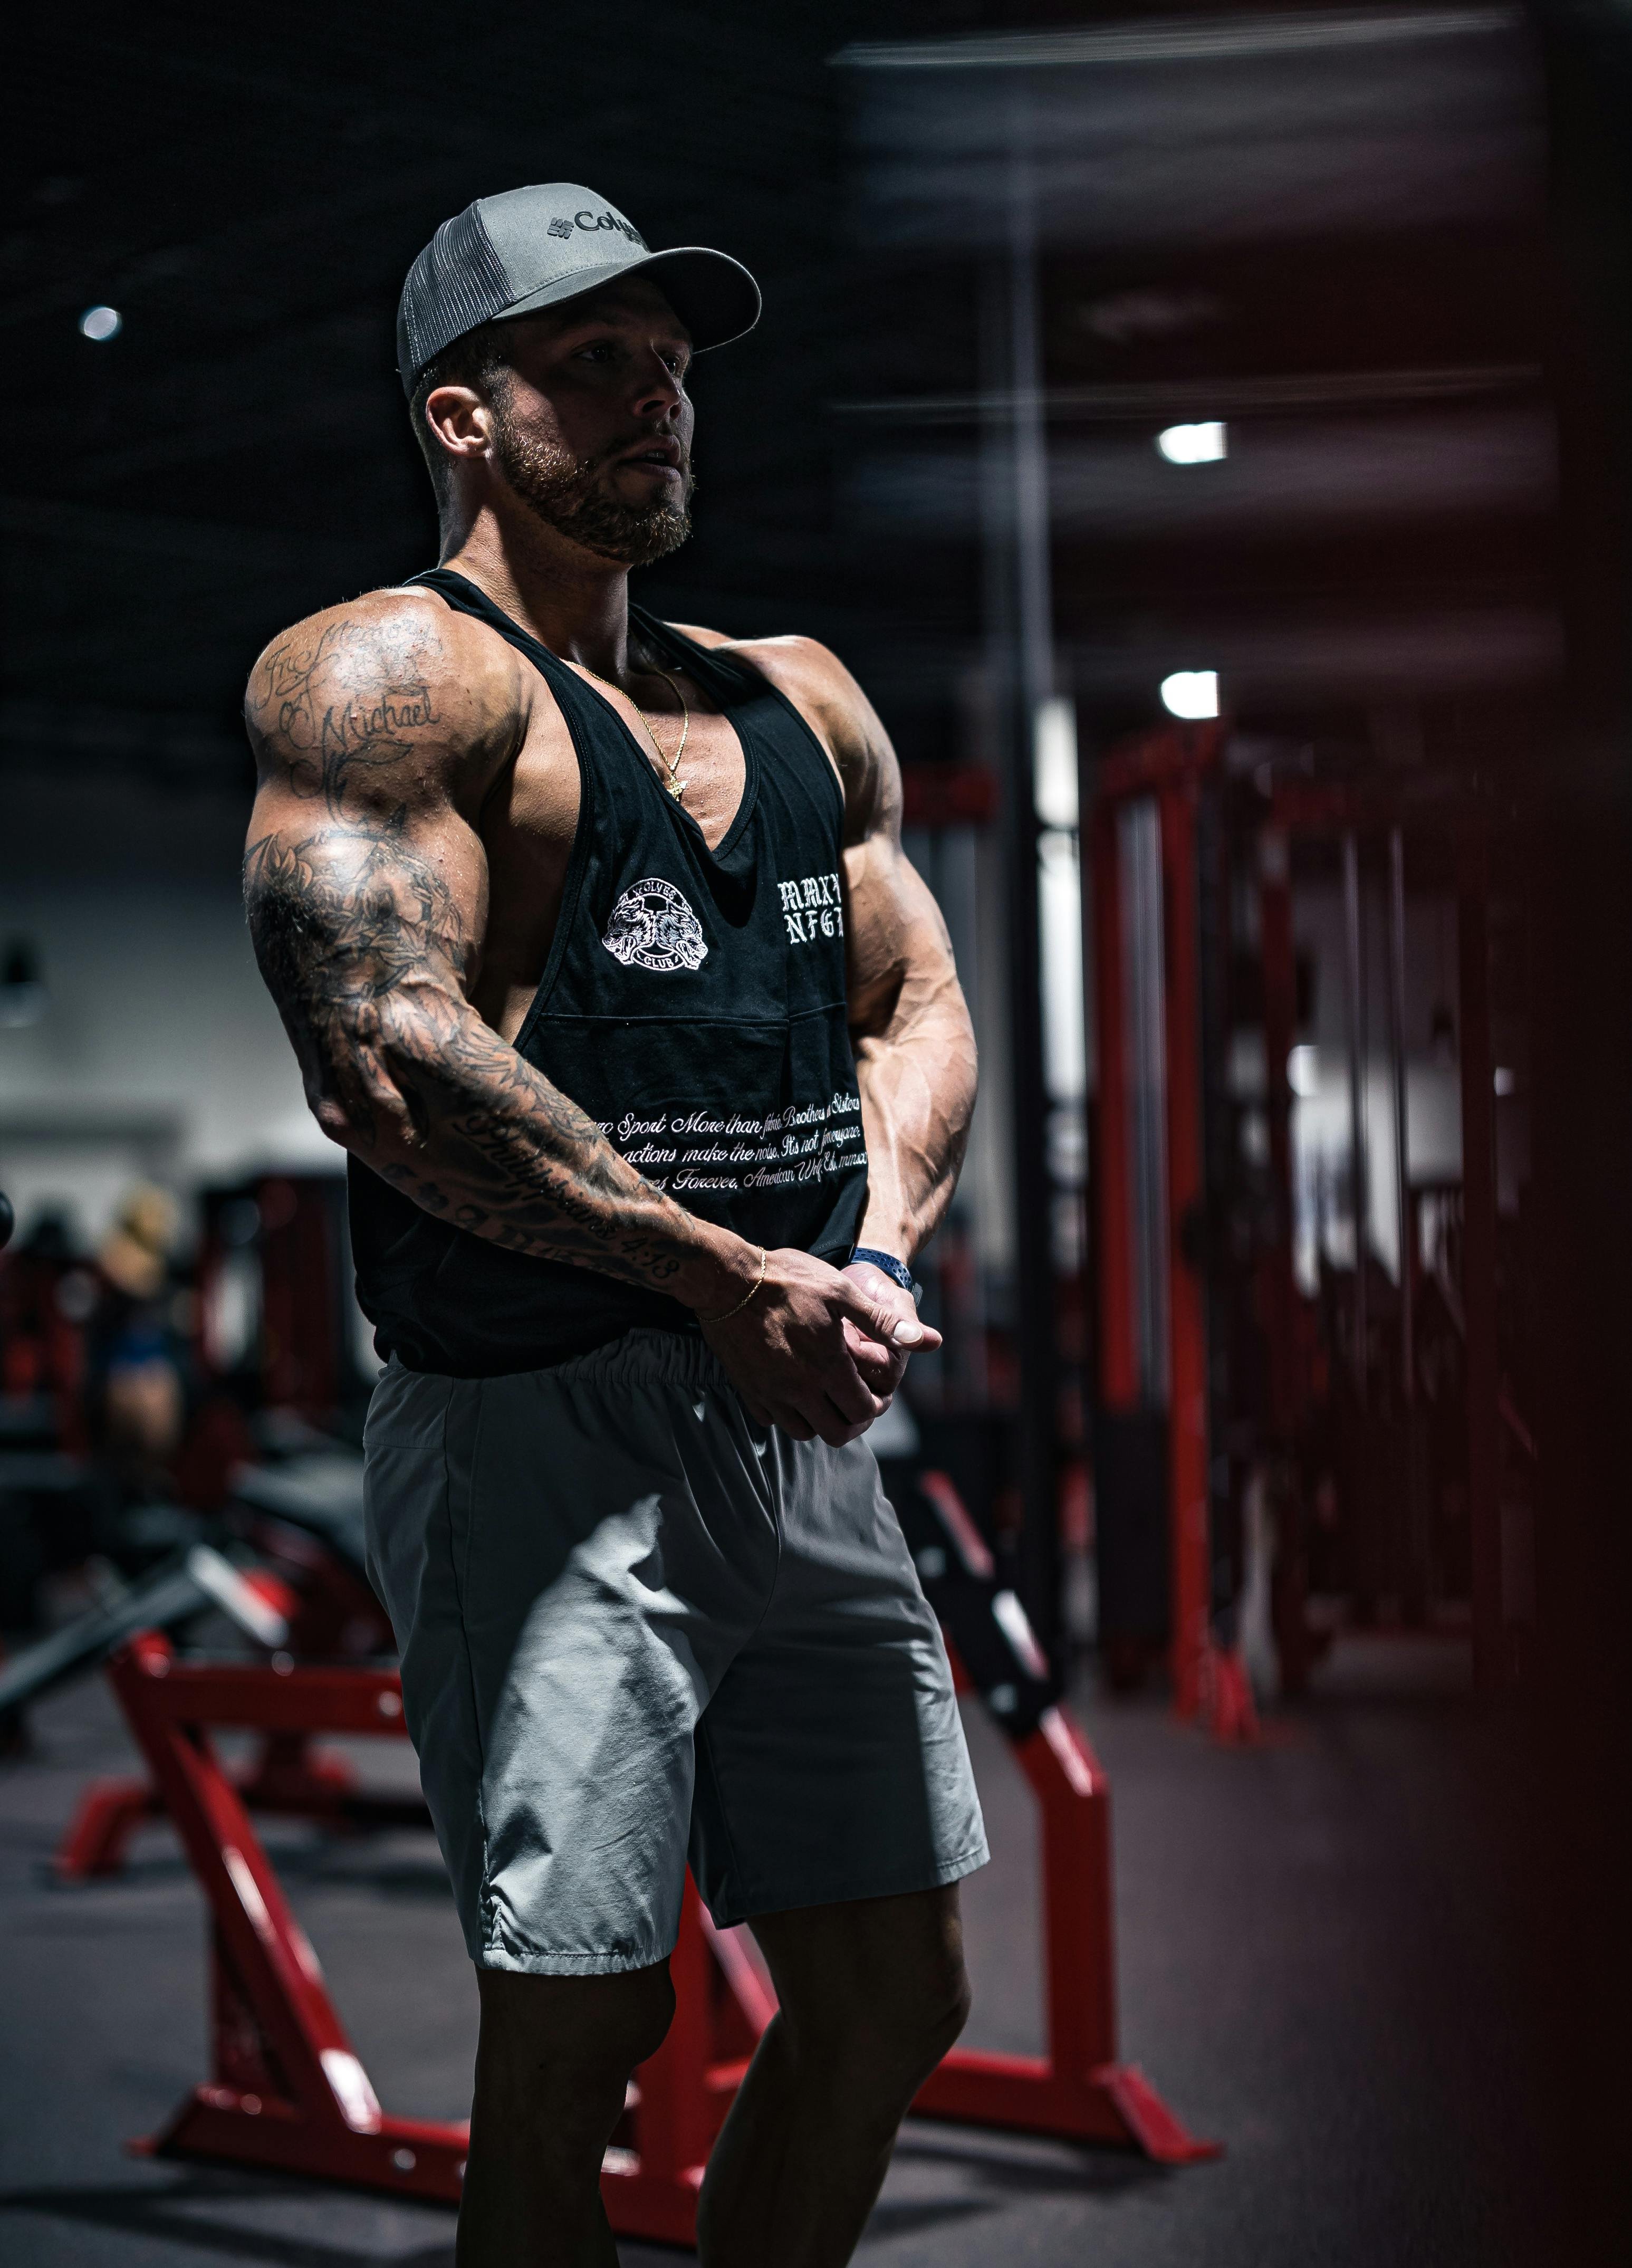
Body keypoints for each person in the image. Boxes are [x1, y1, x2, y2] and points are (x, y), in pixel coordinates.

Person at [242, 184, 987, 2268]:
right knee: (580, 2029)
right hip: (538, 1422)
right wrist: (712, 1274)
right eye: (594, 367)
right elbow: (379, 1057)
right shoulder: (387, 680)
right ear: (463, 418)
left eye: (670, 368)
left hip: (799, 1419)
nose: (656, 401)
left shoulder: (797, 701)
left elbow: (914, 1000)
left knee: (888, 1989)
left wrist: (871, 1258)